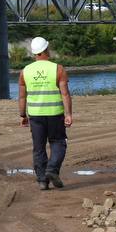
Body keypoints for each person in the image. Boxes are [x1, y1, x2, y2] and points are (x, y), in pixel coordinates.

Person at [18, 36, 72, 190]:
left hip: (35, 115)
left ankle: (42, 181)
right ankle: (52, 170)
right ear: (46, 50)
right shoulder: (58, 69)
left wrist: (22, 116)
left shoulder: (25, 71)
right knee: (59, 142)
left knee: (39, 147)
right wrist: (68, 114)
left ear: (35, 53)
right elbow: (65, 94)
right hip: (55, 113)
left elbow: (22, 96)